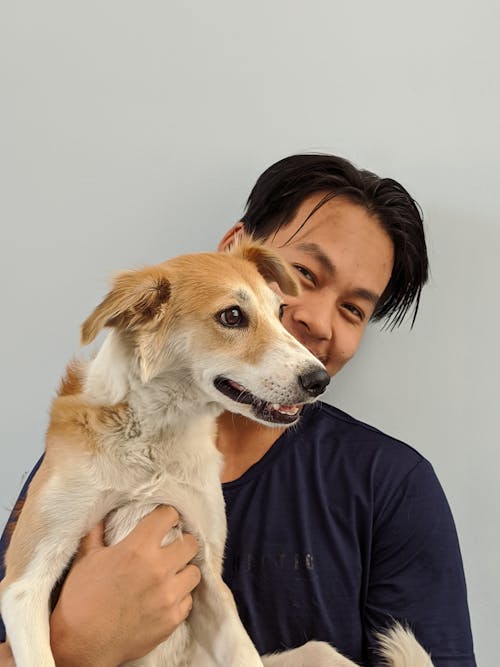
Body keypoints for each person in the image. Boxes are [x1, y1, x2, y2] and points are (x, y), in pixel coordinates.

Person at [0, 154, 476, 666]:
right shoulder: (80, 450)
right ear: (234, 251)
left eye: (354, 309)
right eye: (303, 274)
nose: (317, 321)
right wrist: (77, 647)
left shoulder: (391, 485)